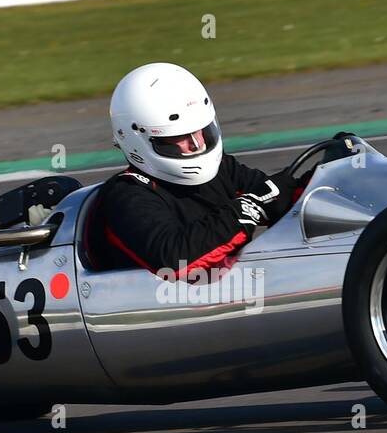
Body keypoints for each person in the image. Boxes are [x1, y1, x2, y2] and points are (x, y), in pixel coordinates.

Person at [88, 62, 295, 278]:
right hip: (148, 305)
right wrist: (247, 210)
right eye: (179, 137)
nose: (198, 144)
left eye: (201, 131)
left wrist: (326, 173)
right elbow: (176, 262)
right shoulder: (126, 196)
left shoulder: (222, 168)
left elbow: (281, 199)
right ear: (136, 140)